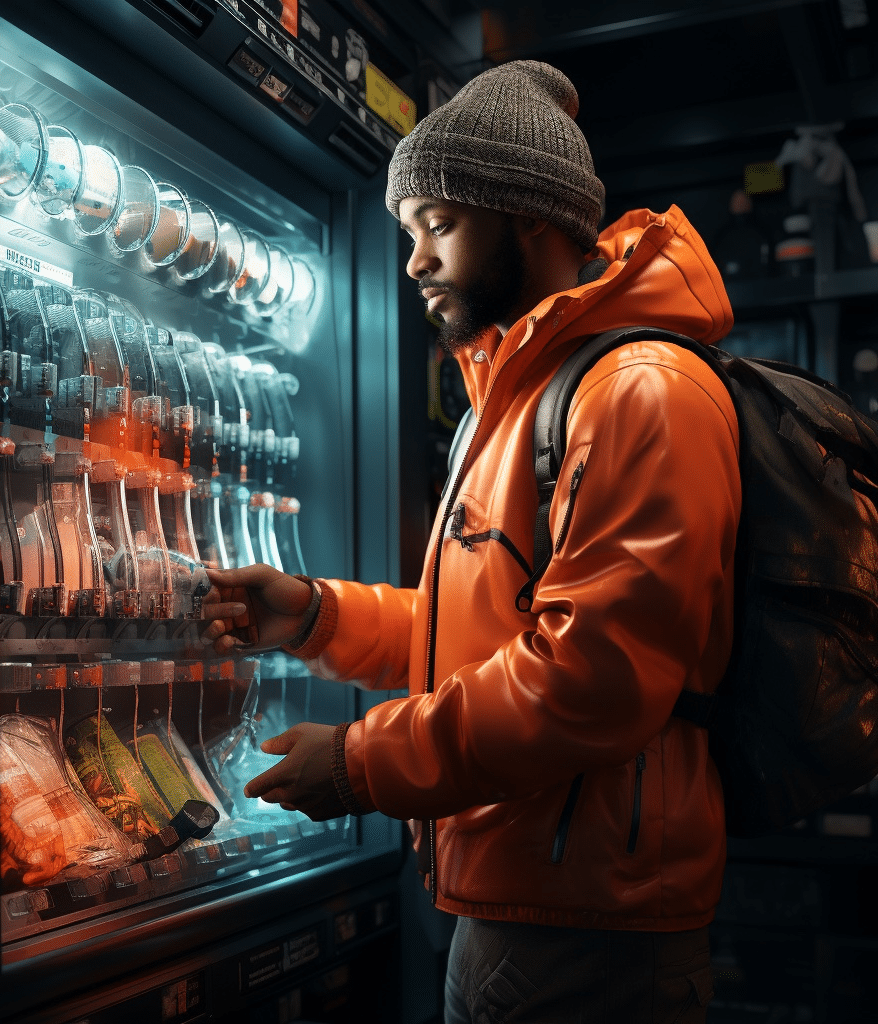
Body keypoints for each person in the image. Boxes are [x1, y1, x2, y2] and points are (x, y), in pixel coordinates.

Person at [201, 60, 740, 1023]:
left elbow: (592, 680)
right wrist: (321, 616)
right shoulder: (512, 399)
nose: (414, 263)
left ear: (531, 220)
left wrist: (366, 761)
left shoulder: (640, 391)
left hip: (592, 921)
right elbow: (491, 633)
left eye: (440, 227)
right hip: (521, 886)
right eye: (411, 234)